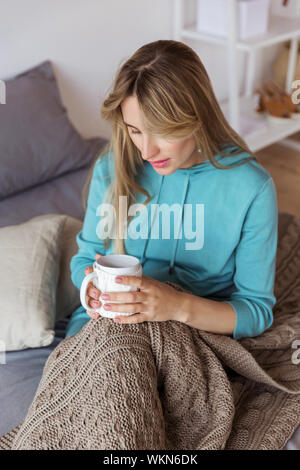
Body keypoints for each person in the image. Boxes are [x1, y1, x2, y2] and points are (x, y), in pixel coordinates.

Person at [65, 39, 278, 341]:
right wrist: (91, 290)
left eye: (162, 131)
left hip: (193, 332)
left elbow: (256, 311)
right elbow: (85, 259)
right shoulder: (113, 167)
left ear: (196, 116)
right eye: (135, 131)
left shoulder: (251, 188)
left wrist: (177, 306)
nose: (146, 152)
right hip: (104, 329)